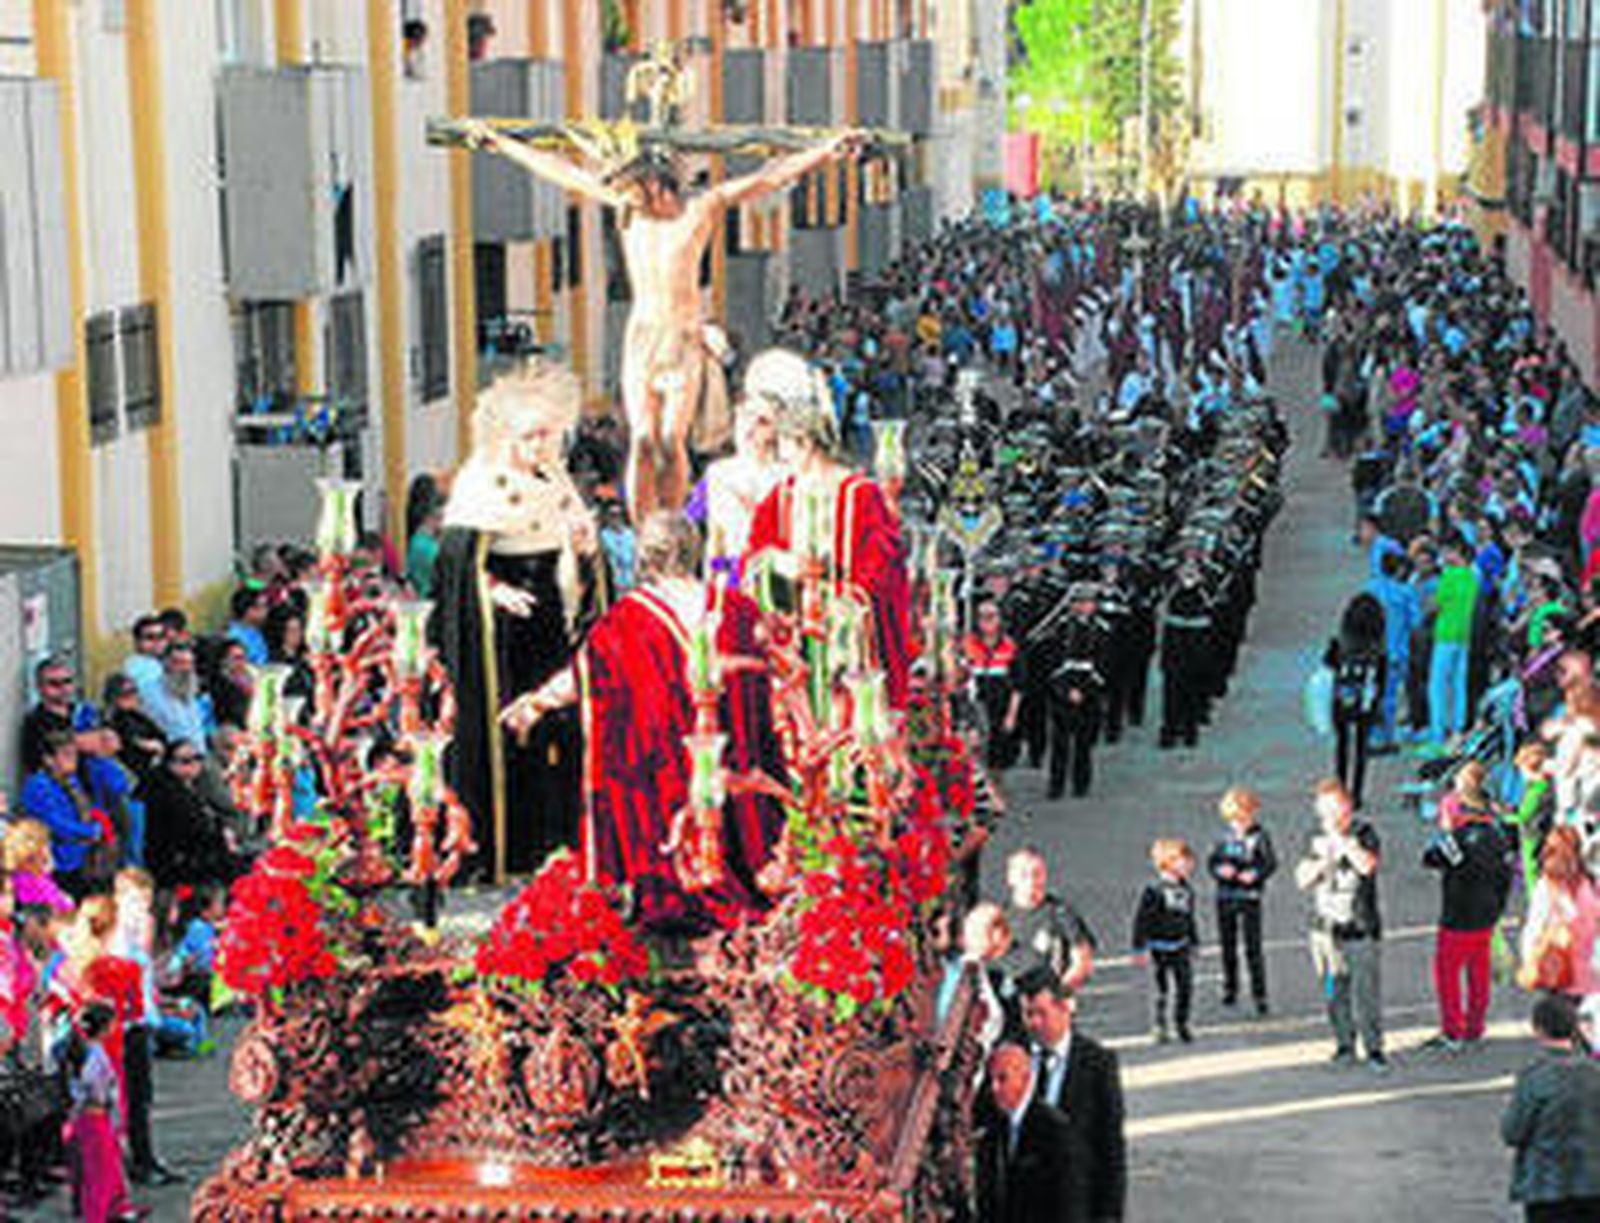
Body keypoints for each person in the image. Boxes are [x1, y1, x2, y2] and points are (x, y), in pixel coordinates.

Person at [462, 117, 865, 519]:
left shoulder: (698, 209)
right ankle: (643, 534)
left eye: (633, 189)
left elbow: (766, 179)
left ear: (655, 184)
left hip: (682, 336)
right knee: (641, 439)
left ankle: (672, 520)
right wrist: (505, 144)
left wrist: (824, 151)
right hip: (643, 336)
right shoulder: (629, 210)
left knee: (672, 440)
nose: (625, 197)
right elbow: (565, 174)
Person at [505, 513, 786, 934]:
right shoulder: (740, 611)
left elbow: (587, 676)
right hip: (734, 772)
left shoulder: (627, 620)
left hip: (662, 781)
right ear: (695, 551)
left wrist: (536, 702)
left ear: (645, 558)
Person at [430, 361, 608, 881]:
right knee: (506, 733)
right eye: (532, 436)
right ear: (507, 434)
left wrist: (585, 548)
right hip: (500, 633)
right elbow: (455, 569)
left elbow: (578, 546)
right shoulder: (479, 482)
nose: (542, 446)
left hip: (553, 614)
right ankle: (503, 849)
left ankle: (559, 842)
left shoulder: (555, 478)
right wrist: (490, 590)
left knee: (558, 729)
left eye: (550, 436)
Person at [743, 348, 913, 708]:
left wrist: (844, 603)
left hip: (847, 637)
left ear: (806, 443)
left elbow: (883, 566)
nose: (781, 455)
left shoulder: (860, 495)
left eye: (786, 445)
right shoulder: (782, 497)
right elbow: (754, 557)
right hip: (794, 632)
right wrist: (781, 565)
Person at [1017, 967, 1126, 1223]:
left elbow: (1110, 1146)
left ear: (1064, 1009)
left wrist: (1109, 1215)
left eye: (1041, 1013)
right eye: (1027, 1014)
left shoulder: (1097, 1063)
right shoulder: (1012, 1056)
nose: (1033, 1023)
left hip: (1073, 1206)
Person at [1295, 778, 1387, 1071]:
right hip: (1324, 928)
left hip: (1360, 925)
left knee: (1367, 992)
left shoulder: (1364, 832)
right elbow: (1301, 878)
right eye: (1325, 811)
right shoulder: (1312, 836)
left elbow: (1368, 866)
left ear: (1348, 808)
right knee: (1334, 990)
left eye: (1336, 809)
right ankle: (1344, 1044)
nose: (1331, 817)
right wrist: (1322, 862)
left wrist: (1344, 844)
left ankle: (1374, 1048)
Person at [1421, 771, 1515, 1051]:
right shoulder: (1499, 836)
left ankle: (1452, 1030)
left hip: (1457, 914)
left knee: (1448, 975)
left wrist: (1446, 832)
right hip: (1487, 912)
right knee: (1479, 973)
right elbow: (1506, 876)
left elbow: (1430, 858)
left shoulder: (1458, 839)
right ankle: (1475, 1026)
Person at [109, 869, 181, 1186]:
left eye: (145, 902)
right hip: (126, 1025)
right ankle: (138, 1161)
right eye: (135, 901)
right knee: (132, 1098)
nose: (141, 909)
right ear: (119, 900)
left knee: (143, 1096)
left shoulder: (136, 935)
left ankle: (146, 1156)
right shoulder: (118, 938)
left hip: (141, 1021)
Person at [1501, 994, 1600, 1222]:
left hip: (1546, 1186)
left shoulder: (1534, 1077)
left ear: (1539, 1029)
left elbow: (1512, 1133)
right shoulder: (1596, 1072)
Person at [975, 1042, 1078, 1223]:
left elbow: (1067, 1204)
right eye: (991, 1080)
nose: (994, 1088)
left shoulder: (1054, 1130)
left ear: (1025, 1078)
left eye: (1002, 1079)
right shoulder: (992, 1134)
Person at [62, 999, 138, 1223]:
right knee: (99, 1175)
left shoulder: (78, 1050)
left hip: (78, 1120)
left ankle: (112, 1208)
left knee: (91, 1171)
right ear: (105, 1027)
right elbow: (97, 1090)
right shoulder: (96, 1056)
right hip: (94, 1120)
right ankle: (96, 1216)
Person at [18, 730, 112, 899]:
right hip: (55, 861)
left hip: (78, 858)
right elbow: (53, 823)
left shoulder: (71, 780)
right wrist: (89, 831)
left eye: (75, 755)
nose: (73, 760)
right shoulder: (38, 785)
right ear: (49, 759)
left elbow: (88, 807)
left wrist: (98, 823)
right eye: (66, 755)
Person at [1207, 785, 1276, 1015]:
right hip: (1225, 896)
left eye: (1243, 817)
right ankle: (1230, 987)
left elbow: (1269, 863)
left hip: (1250, 897)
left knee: (1252, 947)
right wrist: (1220, 870)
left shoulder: (1259, 837)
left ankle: (1260, 994)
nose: (1239, 823)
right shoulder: (1223, 837)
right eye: (1234, 819)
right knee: (1228, 946)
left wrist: (1255, 874)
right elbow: (1212, 862)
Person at [996, 847, 1097, 995]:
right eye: (1024, 875)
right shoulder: (999, 917)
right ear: (1010, 878)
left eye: (1037, 874)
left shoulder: (1061, 913)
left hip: (1049, 1003)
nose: (1031, 881)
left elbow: (1083, 961)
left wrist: (1058, 993)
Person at [1519, 826, 1600, 999]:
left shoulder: (1547, 885)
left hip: (1559, 974)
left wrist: (1529, 960)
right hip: (1589, 975)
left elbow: (1534, 927)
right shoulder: (1591, 881)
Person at [1132, 838, 1200, 1044]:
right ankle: (1159, 1025)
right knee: (1160, 990)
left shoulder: (1187, 890)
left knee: (1185, 986)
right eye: (1184, 861)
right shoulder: (1154, 891)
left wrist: (1194, 941)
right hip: (1158, 948)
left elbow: (1189, 918)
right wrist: (1139, 947)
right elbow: (1141, 920)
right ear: (1168, 862)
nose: (1189, 865)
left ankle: (1182, 1023)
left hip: (1180, 945)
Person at [1324, 591, 1386, 809]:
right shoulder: (1377, 649)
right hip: (1365, 701)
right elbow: (1382, 679)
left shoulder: (1340, 642)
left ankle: (1341, 788)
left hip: (1341, 698)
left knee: (1342, 745)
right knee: (1361, 748)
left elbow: (1328, 664)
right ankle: (1357, 793)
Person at [1428, 534, 1481, 745]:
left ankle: (1437, 733)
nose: (1444, 555)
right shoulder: (1473, 576)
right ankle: (1458, 729)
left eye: (1448, 551)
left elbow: (1436, 604)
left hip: (1445, 635)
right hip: (1465, 636)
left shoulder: (1448, 575)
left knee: (1438, 686)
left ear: (1457, 553)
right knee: (1460, 684)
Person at [225, 585, 270, 666]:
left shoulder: (255, 630)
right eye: (261, 607)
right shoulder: (236, 638)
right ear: (249, 611)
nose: (266, 611)